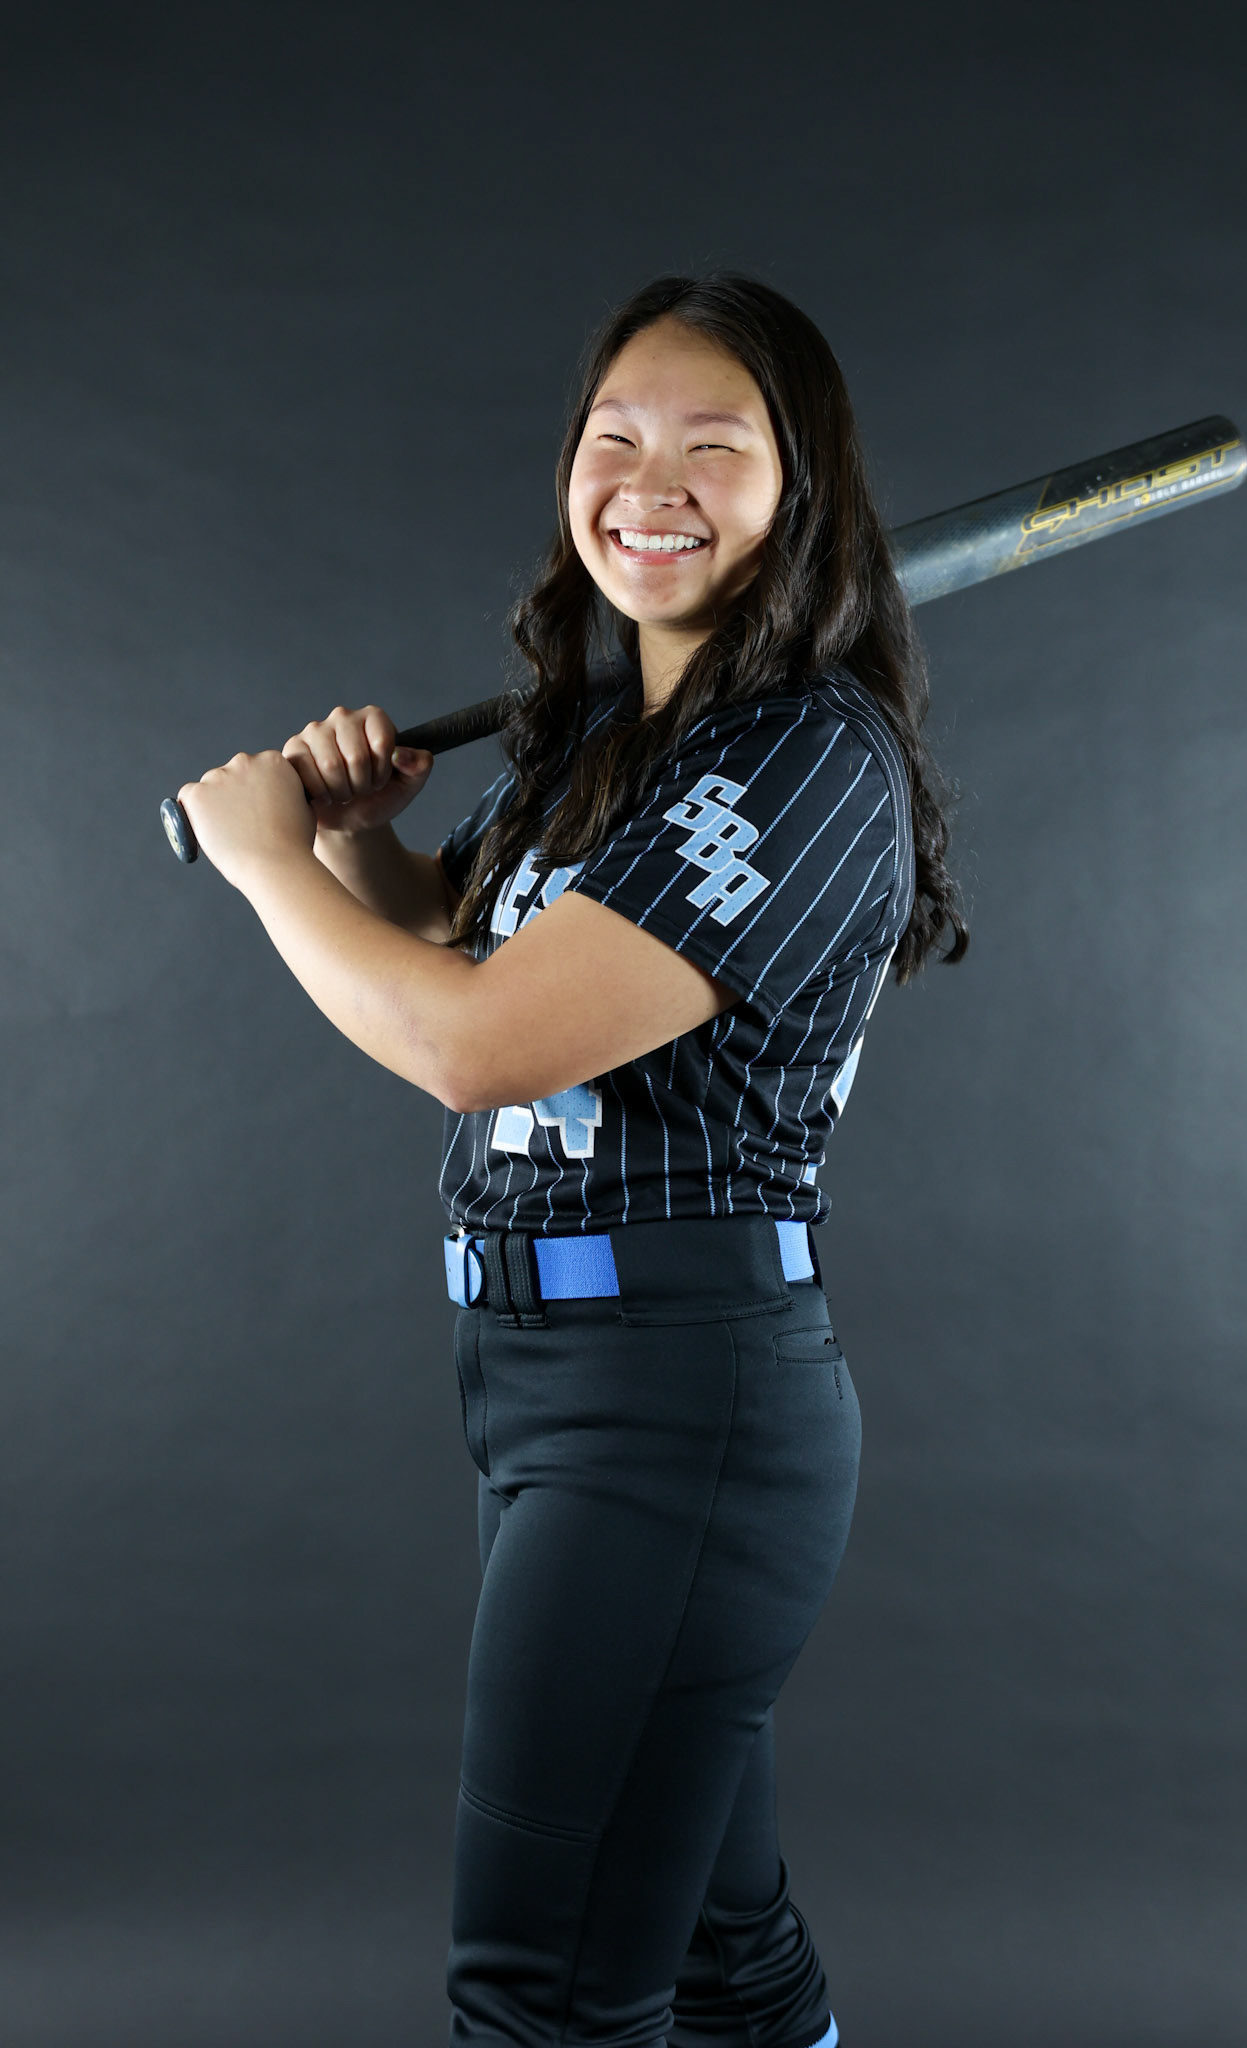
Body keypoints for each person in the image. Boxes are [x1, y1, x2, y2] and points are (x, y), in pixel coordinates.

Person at [176, 272, 968, 2048]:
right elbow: (456, 955)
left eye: (714, 446)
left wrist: (262, 865)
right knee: (717, 1955)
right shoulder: (607, 742)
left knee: (541, 1998)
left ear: (803, 490)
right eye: (615, 439)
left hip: (676, 1404)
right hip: (549, 1385)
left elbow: (477, 1049)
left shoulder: (796, 757)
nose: (648, 484)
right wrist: (356, 847)